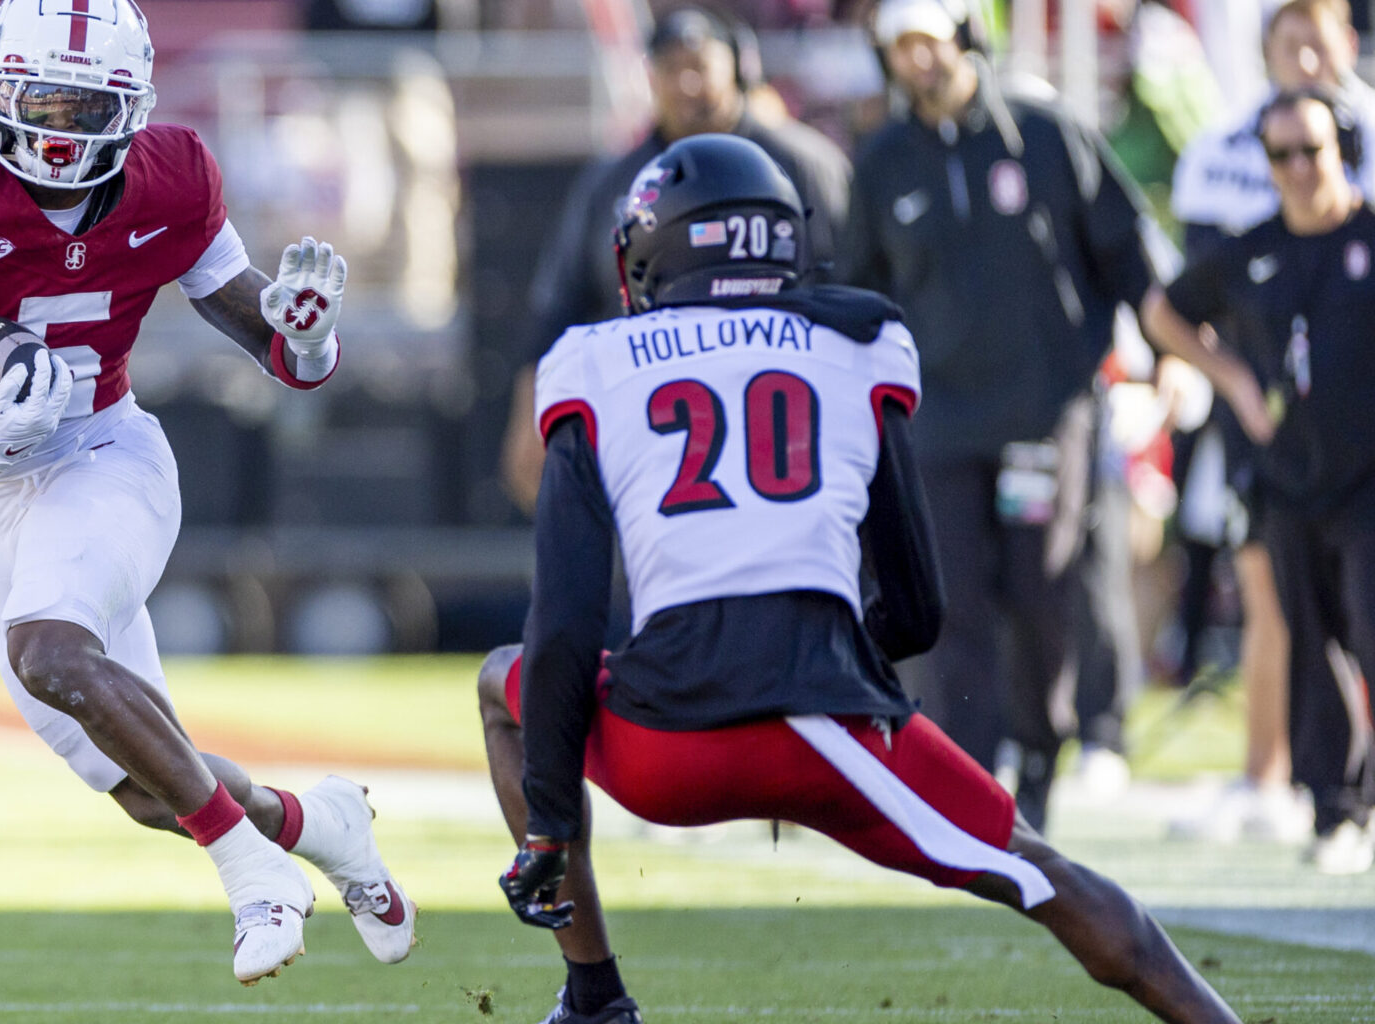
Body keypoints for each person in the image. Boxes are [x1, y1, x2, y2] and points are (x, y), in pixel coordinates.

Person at [479, 134, 1241, 1024]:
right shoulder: (858, 338)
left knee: (503, 682)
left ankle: (594, 997)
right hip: (826, 734)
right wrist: (835, 667)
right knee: (1045, 875)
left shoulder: (594, 361)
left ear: (653, 248)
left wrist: (548, 823)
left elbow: (563, 624)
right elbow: (917, 604)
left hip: (665, 748)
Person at [0, 0, 415, 982]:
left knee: (51, 651)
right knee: (147, 784)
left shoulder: (174, 179)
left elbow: (279, 349)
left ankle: (253, 873)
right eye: (39, 102)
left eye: (82, 105)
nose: (59, 130)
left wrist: (309, 338)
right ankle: (321, 823)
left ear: (134, 106)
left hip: (108, 455)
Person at [839, 0, 1167, 831]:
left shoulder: (1048, 135)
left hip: (1042, 415)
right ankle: (971, 778)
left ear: (964, 37)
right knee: (952, 602)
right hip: (938, 424)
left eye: (928, 40)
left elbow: (1128, 256)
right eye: (899, 45)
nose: (917, 60)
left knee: (1044, 589)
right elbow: (861, 294)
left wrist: (1168, 364)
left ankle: (1043, 753)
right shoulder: (881, 163)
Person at [1139, 88, 1375, 875]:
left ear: (1342, 146)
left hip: (1369, 477)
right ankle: (1336, 809)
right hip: (1287, 478)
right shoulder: (1252, 249)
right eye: (1283, 155)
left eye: (1313, 149)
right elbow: (1163, 312)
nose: (1300, 169)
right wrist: (1233, 380)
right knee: (1311, 645)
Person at [500, 4, 852, 512]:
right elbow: (561, 303)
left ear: (738, 68)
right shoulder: (612, 183)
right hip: (657, 427)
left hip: (783, 421)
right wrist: (527, 411)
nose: (688, 84)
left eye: (700, 66)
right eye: (671, 69)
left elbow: (859, 283)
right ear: (648, 77)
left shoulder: (801, 163)